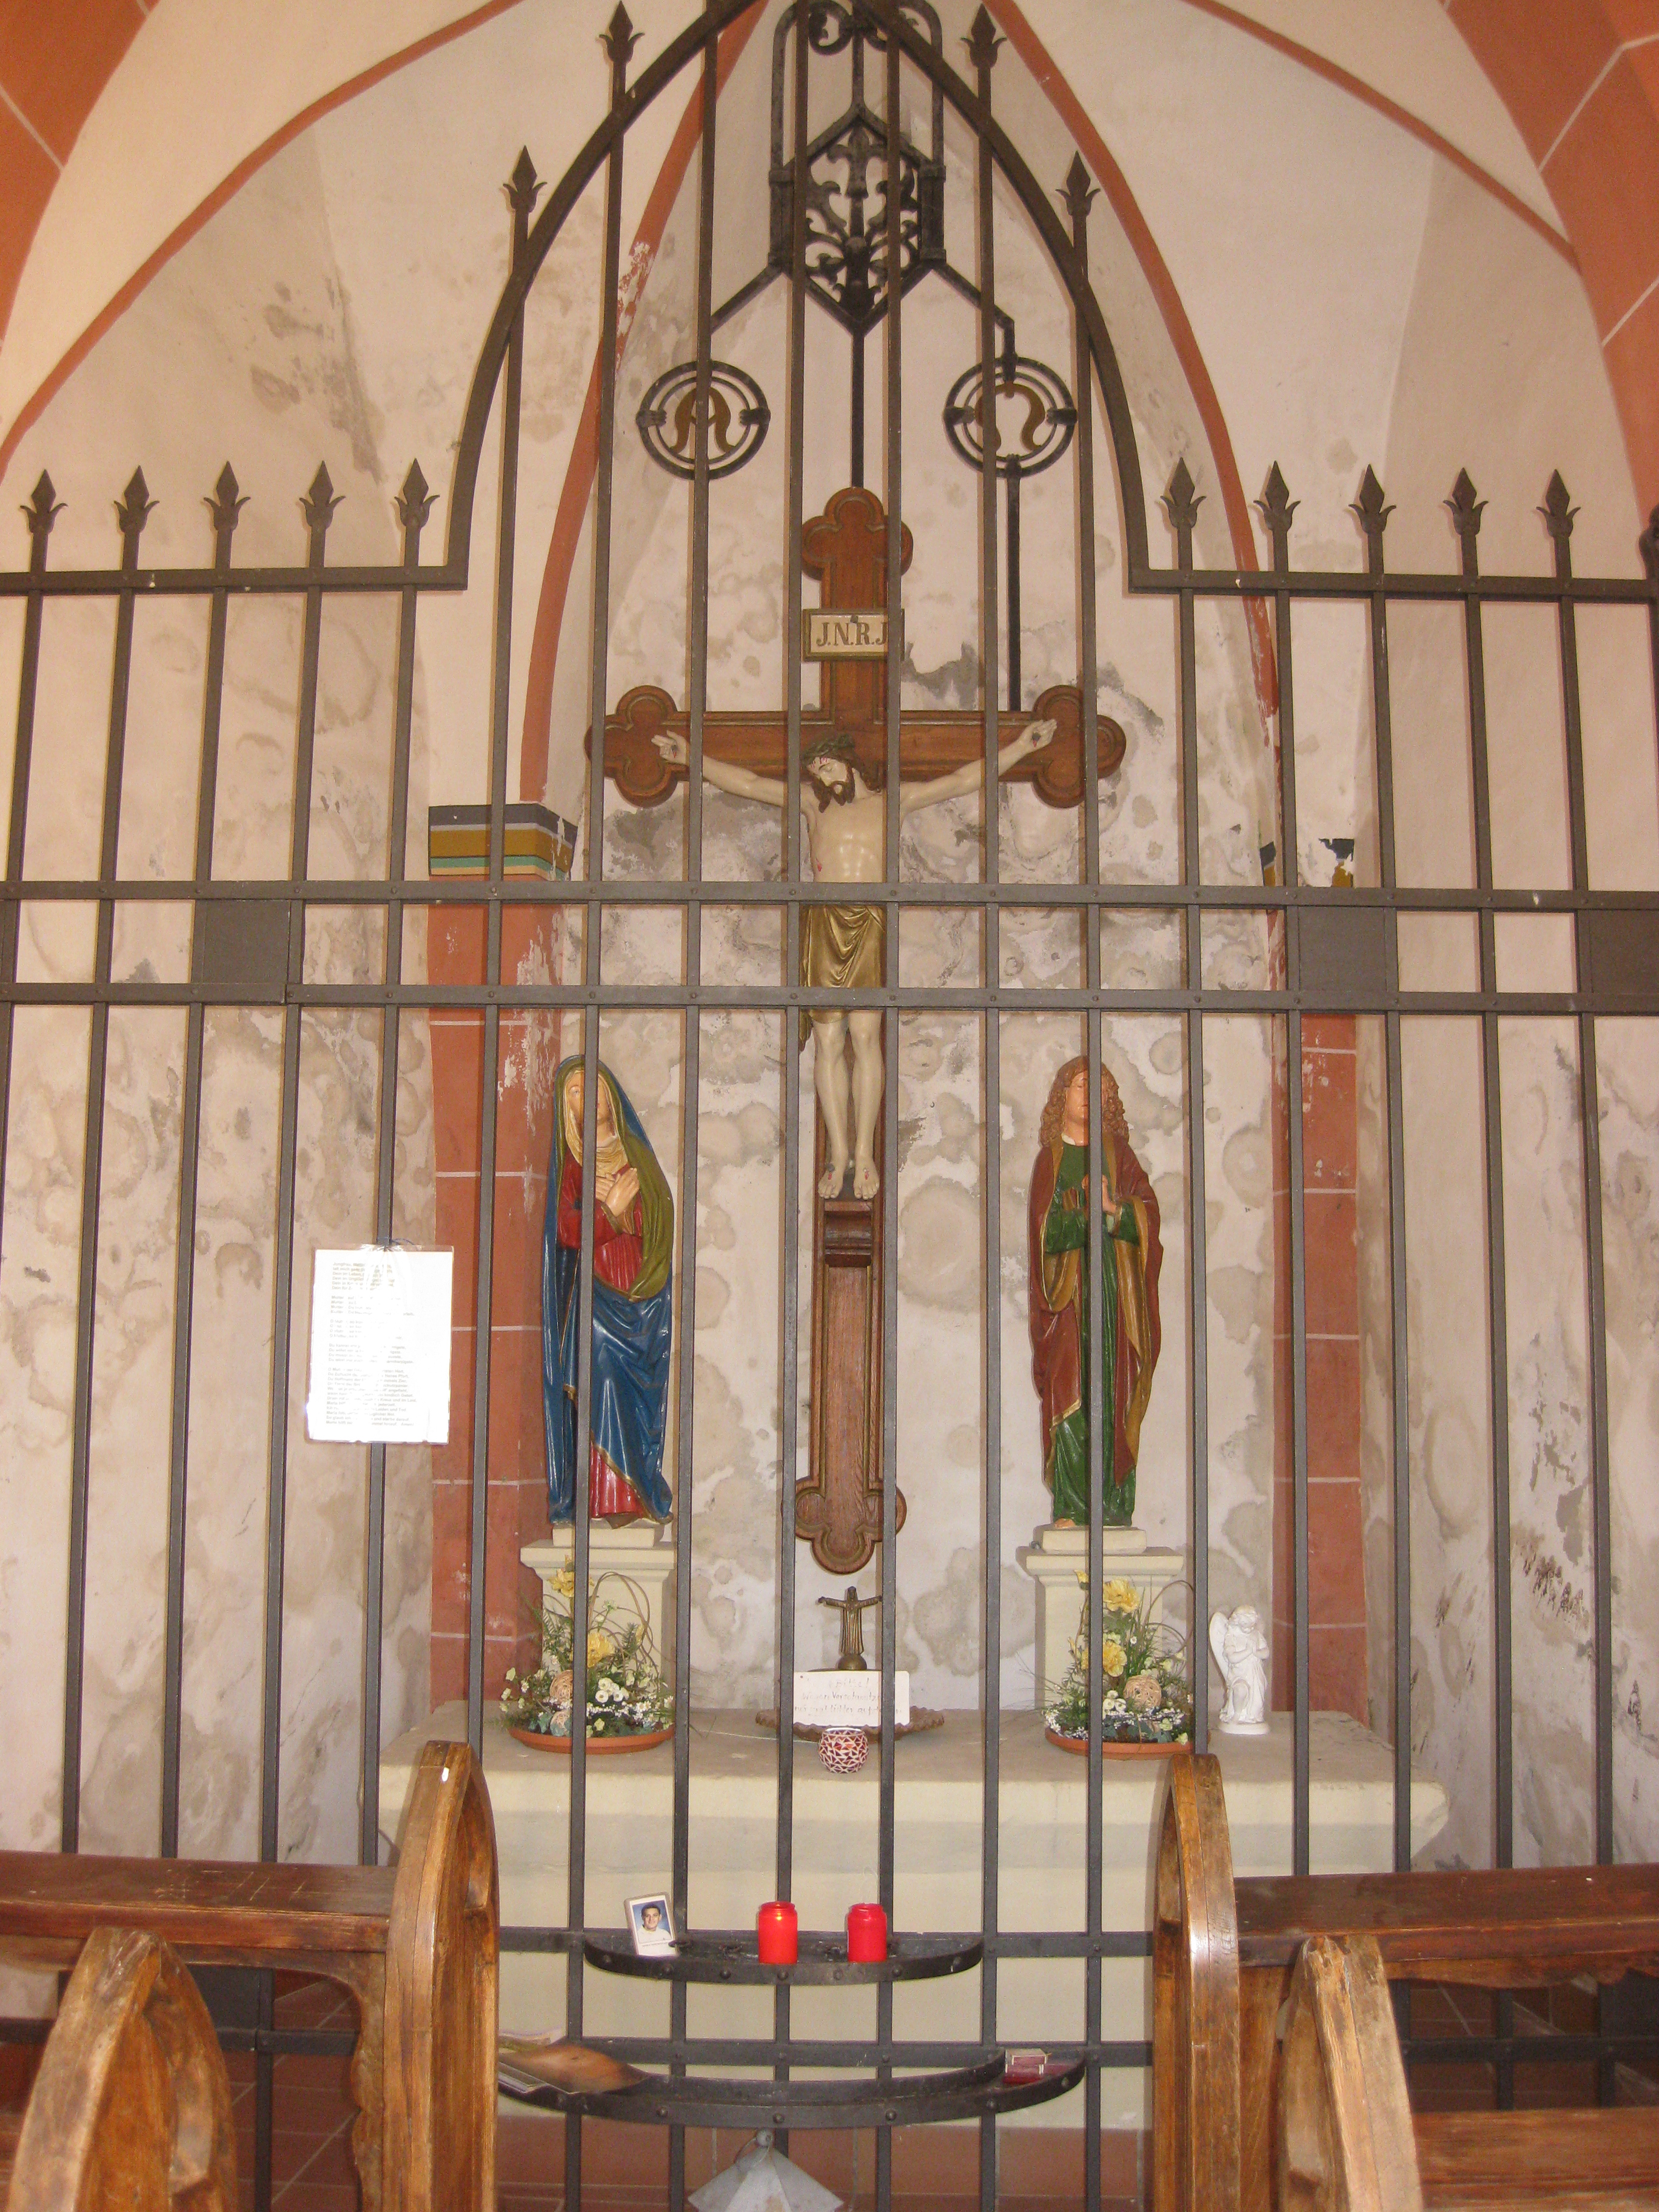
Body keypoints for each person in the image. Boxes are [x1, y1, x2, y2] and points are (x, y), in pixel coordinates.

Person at [654, 720, 1052, 1200]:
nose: (821, 779)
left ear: (850, 762)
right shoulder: (811, 805)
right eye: (815, 773)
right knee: (827, 1041)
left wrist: (1020, 747)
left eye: (826, 767)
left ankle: (864, 1152)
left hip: (871, 920)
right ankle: (838, 1152)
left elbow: (961, 780)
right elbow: (751, 783)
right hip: (824, 921)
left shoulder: (892, 802)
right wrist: (691, 758)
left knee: (864, 1035)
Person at [1027, 1056, 1162, 1527]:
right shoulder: (1051, 1160)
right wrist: (1082, 1216)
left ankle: (1114, 1504)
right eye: (1083, 1085)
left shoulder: (1119, 1155)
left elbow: (1148, 1216)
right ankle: (1072, 1504)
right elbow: (1044, 1235)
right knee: (1071, 1392)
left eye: (1102, 1089)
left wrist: (1113, 1211)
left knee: (1113, 1392)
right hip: (1067, 1300)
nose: (1092, 1096)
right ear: (1062, 1096)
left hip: (1114, 1293)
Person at [542, 1057, 674, 1524]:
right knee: (599, 1373)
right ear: (566, 1107)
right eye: (575, 1092)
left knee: (634, 1394)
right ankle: (599, 1500)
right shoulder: (572, 1167)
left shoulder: (636, 1155)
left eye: (592, 1087)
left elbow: (659, 1218)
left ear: (611, 1095)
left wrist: (624, 1211)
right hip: (594, 1294)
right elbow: (564, 1229)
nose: (587, 1098)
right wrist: (609, 1214)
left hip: (639, 1292)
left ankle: (633, 1493)